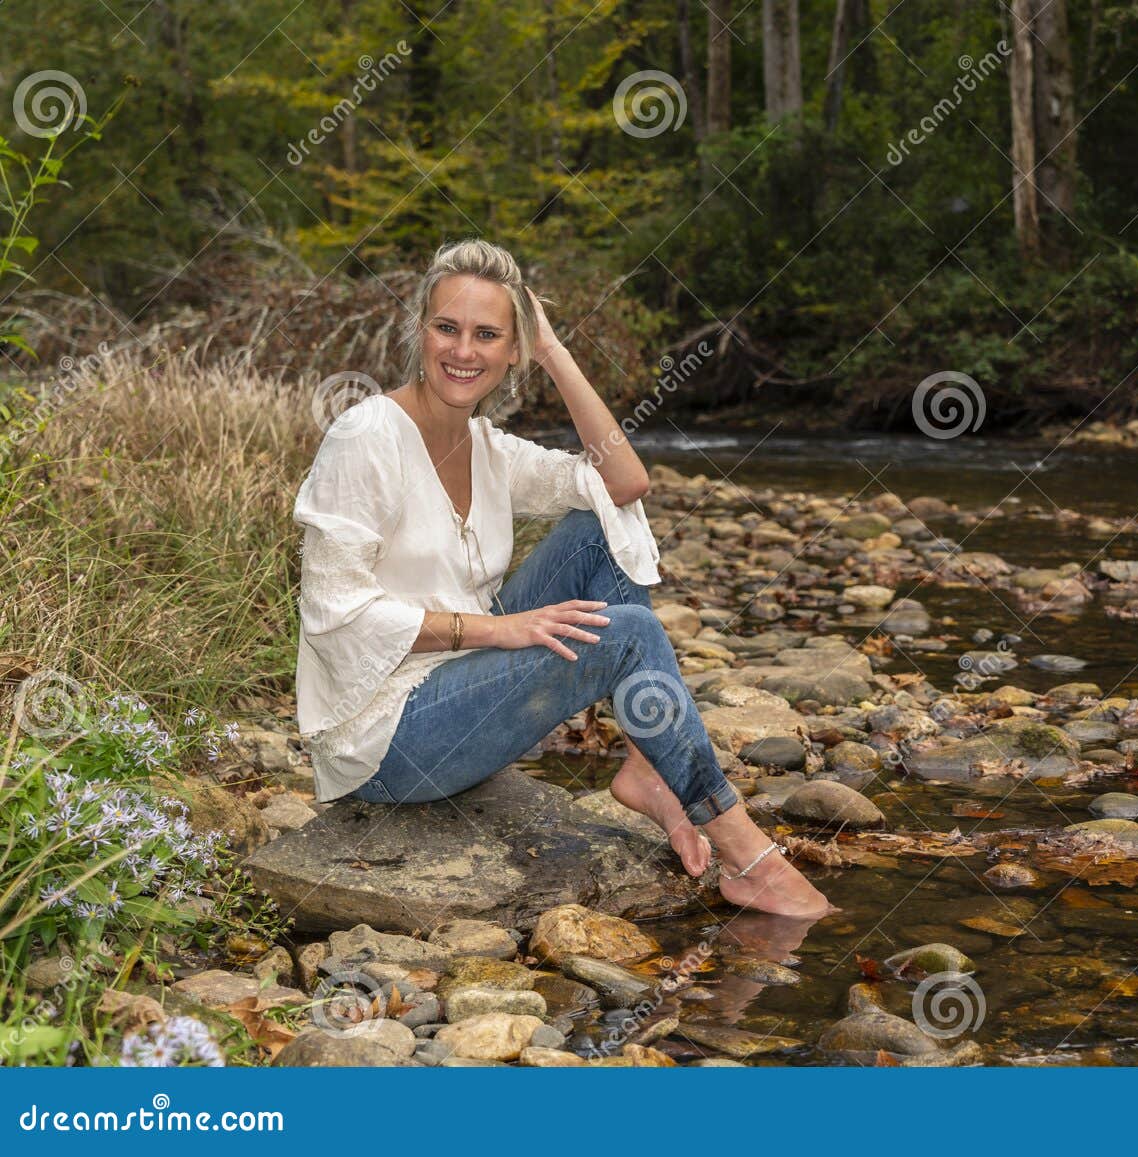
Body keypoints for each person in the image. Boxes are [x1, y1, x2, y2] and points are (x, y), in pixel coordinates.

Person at [292, 237, 830, 919]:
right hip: (386, 739)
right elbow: (335, 610)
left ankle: (645, 761)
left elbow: (625, 481)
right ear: (420, 331)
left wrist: (554, 350)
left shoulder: (488, 448)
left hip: (462, 685)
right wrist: (501, 628)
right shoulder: (365, 436)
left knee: (599, 525)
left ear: (512, 351)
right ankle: (747, 852)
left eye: (489, 334)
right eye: (446, 328)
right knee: (627, 634)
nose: (464, 351)